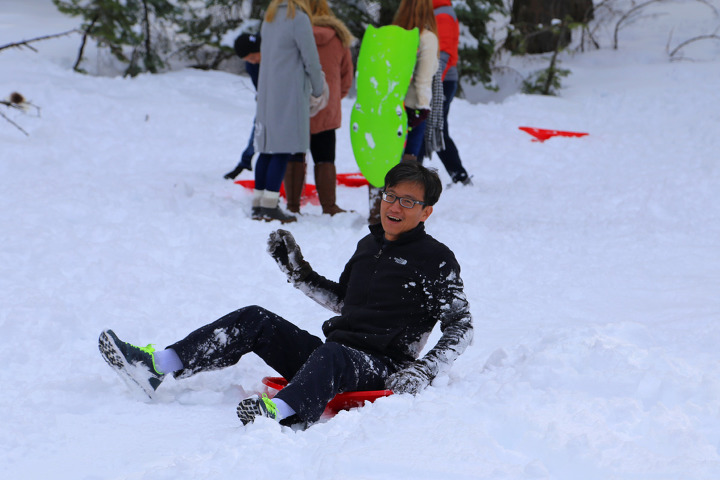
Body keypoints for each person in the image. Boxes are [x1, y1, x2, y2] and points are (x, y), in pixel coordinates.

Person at [98, 162, 473, 428]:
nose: (395, 206)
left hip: (383, 368)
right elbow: (346, 303)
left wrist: (423, 370)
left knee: (333, 354)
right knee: (254, 318)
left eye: (409, 201)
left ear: (426, 212)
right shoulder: (368, 243)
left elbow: (462, 326)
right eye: (392, 196)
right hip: (333, 360)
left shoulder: (436, 259)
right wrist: (298, 274)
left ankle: (281, 412)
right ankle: (156, 366)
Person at [252, 0, 326, 223]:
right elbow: (311, 59)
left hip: (268, 92)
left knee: (266, 149)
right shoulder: (299, 19)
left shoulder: (270, 17)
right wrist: (318, 87)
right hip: (288, 93)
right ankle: (271, 205)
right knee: (282, 149)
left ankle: (258, 203)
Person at [284, 0, 354, 215]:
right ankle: (329, 206)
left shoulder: (292, 34)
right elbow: (347, 77)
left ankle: (293, 205)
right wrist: (332, 99)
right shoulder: (339, 37)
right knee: (325, 157)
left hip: (296, 105)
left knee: (295, 156)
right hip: (326, 107)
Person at [417, 0, 472, 186]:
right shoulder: (435, 11)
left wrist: (432, 81)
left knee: (428, 127)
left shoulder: (443, 14)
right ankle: (458, 176)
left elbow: (445, 52)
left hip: (441, 81)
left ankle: (414, 177)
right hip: (439, 80)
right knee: (433, 128)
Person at [393, 0, 439, 162]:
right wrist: (424, 107)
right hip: (413, 107)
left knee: (386, 159)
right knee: (408, 165)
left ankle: (380, 188)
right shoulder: (426, 38)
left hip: (389, 105)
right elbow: (423, 78)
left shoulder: (393, 34)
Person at [224, 33, 262, 181]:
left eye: (252, 58)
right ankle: (245, 163)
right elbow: (259, 85)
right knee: (258, 129)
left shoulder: (276, 56)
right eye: (247, 60)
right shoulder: (252, 65)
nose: (252, 62)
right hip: (266, 101)